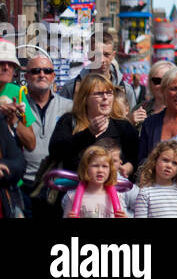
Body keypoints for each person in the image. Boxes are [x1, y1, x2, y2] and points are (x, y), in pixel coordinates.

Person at [48, 74, 140, 176]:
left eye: (109, 93)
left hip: (113, 189)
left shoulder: (123, 126)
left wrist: (129, 167)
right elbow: (56, 152)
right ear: (85, 98)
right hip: (76, 189)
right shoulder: (69, 120)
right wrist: (88, 133)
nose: (105, 97)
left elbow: (137, 157)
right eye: (99, 94)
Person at [17, 51, 72, 215]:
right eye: (35, 71)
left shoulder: (69, 107)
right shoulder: (18, 105)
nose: (42, 74)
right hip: (25, 183)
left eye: (47, 71)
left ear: (53, 75)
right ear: (26, 77)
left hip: (57, 184)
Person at [58, 29, 137, 113]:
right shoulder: (71, 88)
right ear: (89, 55)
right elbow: (61, 120)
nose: (102, 59)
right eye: (97, 54)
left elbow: (134, 123)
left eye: (106, 54)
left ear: (113, 55)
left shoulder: (125, 90)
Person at [62, 145, 128, 218]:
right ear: (85, 168)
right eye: (95, 166)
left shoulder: (118, 197)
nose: (100, 170)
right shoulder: (72, 197)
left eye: (105, 166)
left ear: (110, 170)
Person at [133, 141, 177, 218]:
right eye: (165, 160)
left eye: (175, 163)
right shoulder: (145, 193)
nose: (169, 166)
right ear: (155, 161)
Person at [0, 41, 35, 155]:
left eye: (10, 64)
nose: (6, 67)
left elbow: (31, 144)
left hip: (11, 163)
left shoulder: (17, 92)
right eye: (1, 63)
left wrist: (14, 119)